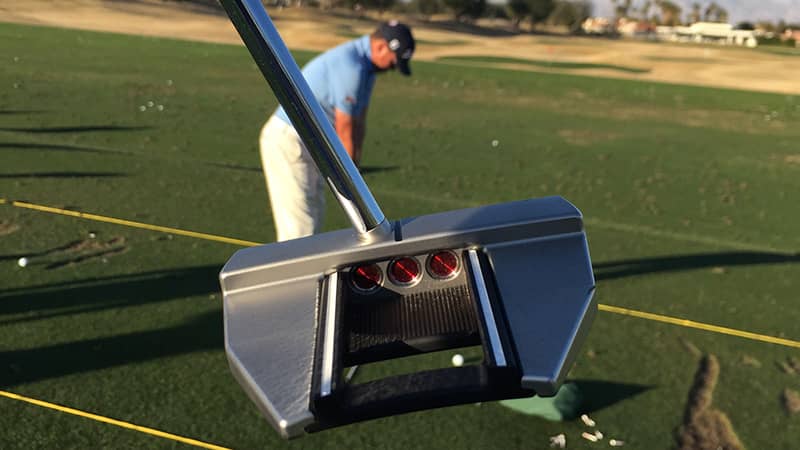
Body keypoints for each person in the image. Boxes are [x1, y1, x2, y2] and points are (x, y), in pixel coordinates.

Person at [259, 21, 415, 242]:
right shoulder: (351, 66)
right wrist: (352, 185)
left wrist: (355, 173)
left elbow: (359, 122)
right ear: (381, 46)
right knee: (300, 230)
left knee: (313, 217)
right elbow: (345, 127)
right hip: (289, 140)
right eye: (393, 62)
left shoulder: (366, 70)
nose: (391, 68)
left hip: (309, 144)